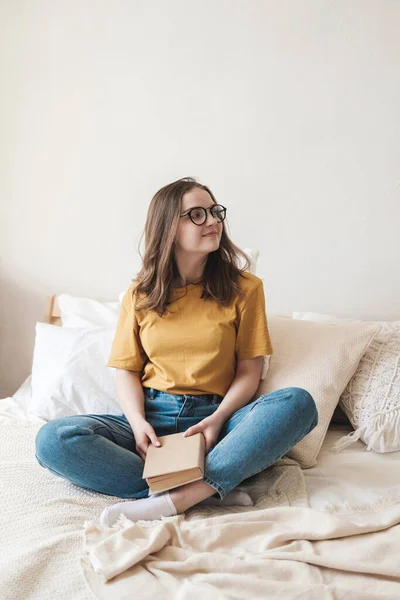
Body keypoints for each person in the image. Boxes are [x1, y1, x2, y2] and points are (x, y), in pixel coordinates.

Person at [35, 176, 318, 527]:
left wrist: (216, 420)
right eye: (196, 214)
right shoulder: (140, 294)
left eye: (215, 211)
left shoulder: (246, 288)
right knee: (53, 440)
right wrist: (138, 425)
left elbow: (249, 371)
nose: (213, 221)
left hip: (220, 420)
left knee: (298, 403)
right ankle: (209, 488)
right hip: (153, 417)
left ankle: (181, 495)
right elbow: (126, 371)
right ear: (168, 227)